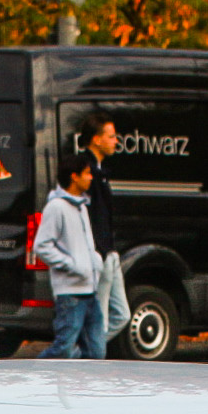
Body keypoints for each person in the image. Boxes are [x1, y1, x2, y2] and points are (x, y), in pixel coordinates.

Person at [33, 155, 102, 359]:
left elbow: (85, 244)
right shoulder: (56, 207)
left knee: (96, 352)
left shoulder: (82, 207)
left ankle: (78, 380)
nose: (91, 178)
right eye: (87, 173)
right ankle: (34, 372)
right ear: (74, 176)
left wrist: (95, 261)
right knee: (63, 349)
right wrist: (71, 265)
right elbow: (42, 246)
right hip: (70, 293)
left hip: (90, 290)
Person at [82, 113, 126, 348]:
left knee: (122, 314)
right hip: (100, 253)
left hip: (109, 251)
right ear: (96, 139)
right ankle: (90, 355)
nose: (115, 141)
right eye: (111, 136)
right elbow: (91, 216)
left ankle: (86, 350)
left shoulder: (101, 172)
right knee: (102, 318)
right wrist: (99, 250)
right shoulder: (88, 172)